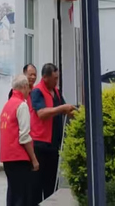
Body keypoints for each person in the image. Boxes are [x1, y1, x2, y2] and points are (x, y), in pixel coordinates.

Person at [29, 63, 76, 203]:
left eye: (57, 78)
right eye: (55, 78)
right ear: (45, 78)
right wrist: (62, 108)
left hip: (54, 145)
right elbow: (42, 114)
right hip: (40, 145)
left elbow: (66, 110)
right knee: (37, 184)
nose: (57, 81)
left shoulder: (56, 92)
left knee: (52, 184)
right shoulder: (37, 92)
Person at [0, 73, 39, 206]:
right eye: (28, 88)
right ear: (24, 87)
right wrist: (34, 159)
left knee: (13, 194)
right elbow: (24, 137)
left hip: (7, 158)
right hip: (19, 158)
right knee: (22, 197)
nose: (29, 91)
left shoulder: (7, 105)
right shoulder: (21, 106)